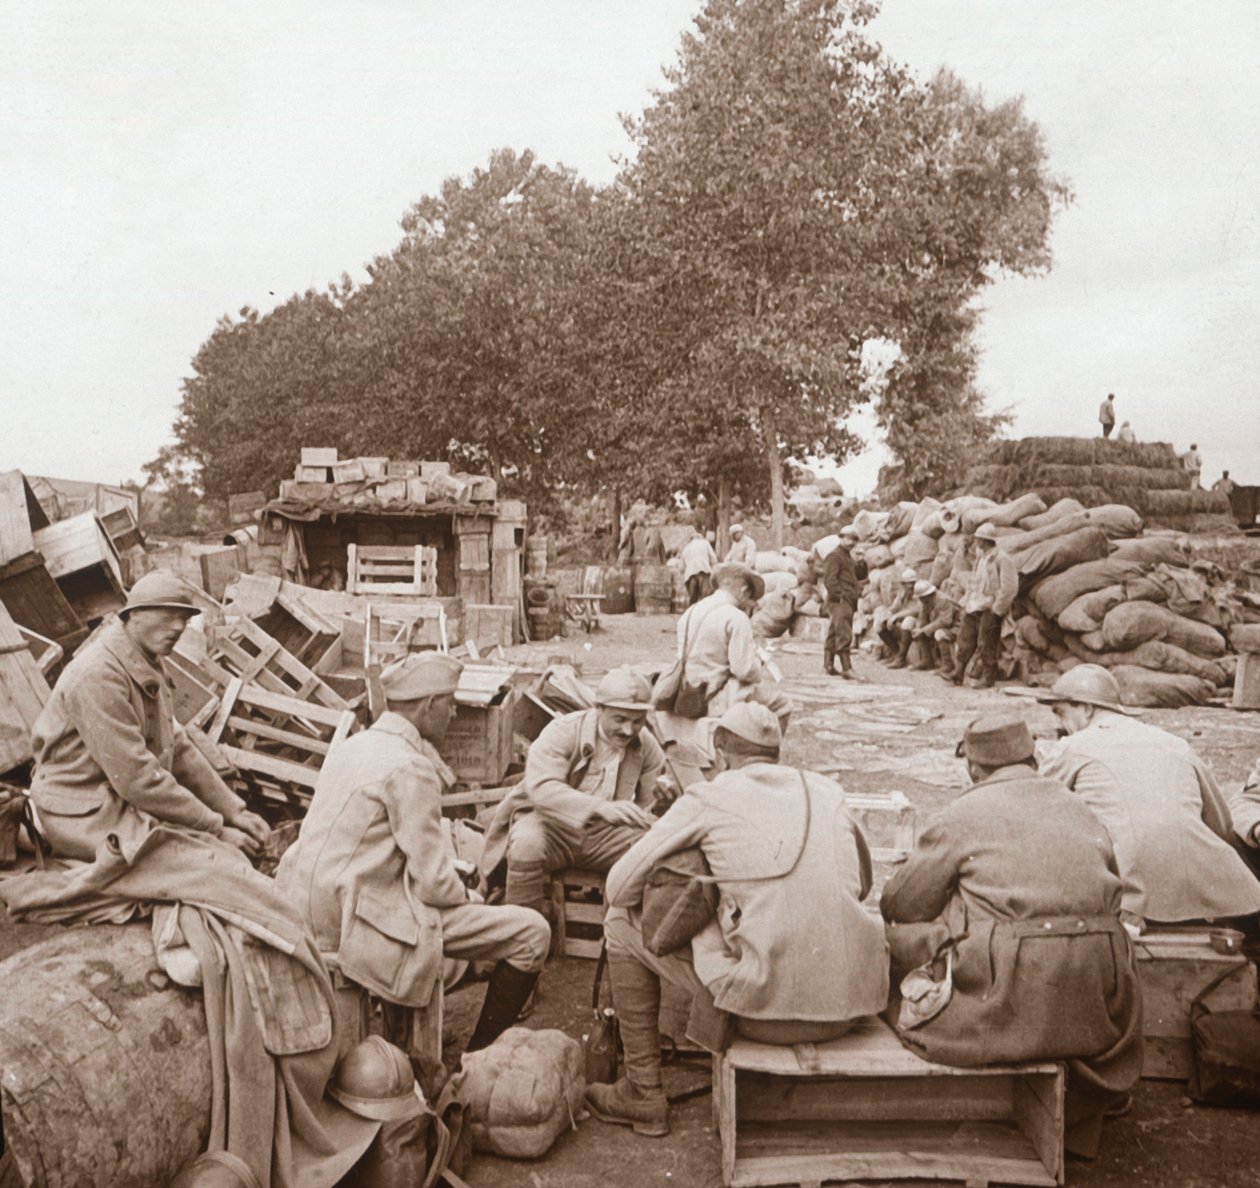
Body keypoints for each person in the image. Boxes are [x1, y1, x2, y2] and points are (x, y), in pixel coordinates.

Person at [588, 704, 889, 1137]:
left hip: (766, 1016)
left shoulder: (710, 795)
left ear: (721, 752)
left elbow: (618, 887)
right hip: (851, 1006)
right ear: (776, 754)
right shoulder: (828, 791)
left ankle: (642, 1092)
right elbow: (861, 884)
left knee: (618, 921)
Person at [881, 714, 1142, 1158]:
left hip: (1013, 990)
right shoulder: (1079, 807)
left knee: (895, 946)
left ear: (974, 769)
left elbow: (901, 906)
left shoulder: (961, 813)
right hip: (1101, 994)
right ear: (1033, 758)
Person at [276, 653, 551, 1055]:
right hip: (352, 920)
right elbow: (435, 884)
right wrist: (469, 897)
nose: (454, 713)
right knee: (532, 933)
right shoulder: (411, 766)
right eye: (450, 703)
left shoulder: (356, 745)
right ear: (428, 706)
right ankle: (475, 1058)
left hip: (302, 901)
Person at [28, 572, 270, 861]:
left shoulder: (147, 660)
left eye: (184, 617)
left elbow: (178, 749)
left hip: (118, 800)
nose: (179, 626)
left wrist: (234, 810)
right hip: (80, 810)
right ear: (135, 614)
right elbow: (138, 778)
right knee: (209, 863)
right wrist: (216, 828)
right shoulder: (97, 675)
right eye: (169, 615)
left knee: (218, 854)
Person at [1033, 665, 1260, 926]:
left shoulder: (1071, 748)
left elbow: (1037, 816)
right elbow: (1222, 825)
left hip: (1132, 895)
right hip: (1214, 892)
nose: (1060, 724)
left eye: (1060, 713)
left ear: (1087, 709)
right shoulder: (1175, 744)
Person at [481, 668, 671, 921]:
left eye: (637, 721)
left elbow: (648, 808)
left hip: (604, 834)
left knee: (656, 848)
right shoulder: (563, 731)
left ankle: (623, 933)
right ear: (599, 708)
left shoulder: (645, 744)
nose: (628, 730)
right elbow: (543, 789)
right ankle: (523, 934)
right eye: (620, 719)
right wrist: (598, 806)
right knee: (526, 843)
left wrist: (664, 802)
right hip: (550, 824)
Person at [655, 562, 792, 726]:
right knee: (782, 704)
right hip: (716, 695)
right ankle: (762, 748)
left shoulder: (690, 611)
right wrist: (758, 662)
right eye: (750, 596)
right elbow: (743, 670)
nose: (749, 602)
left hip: (685, 691)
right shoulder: (736, 617)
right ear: (744, 591)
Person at [946, 524, 1017, 689]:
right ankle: (959, 671)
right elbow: (975, 579)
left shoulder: (1002, 559)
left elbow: (1009, 588)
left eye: (978, 538)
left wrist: (997, 610)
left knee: (986, 642)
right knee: (965, 638)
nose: (975, 540)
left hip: (990, 606)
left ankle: (988, 677)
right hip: (974, 604)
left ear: (986, 540)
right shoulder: (981, 556)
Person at [819, 527, 860, 679]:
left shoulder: (847, 557)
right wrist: (840, 595)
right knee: (844, 632)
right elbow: (829, 579)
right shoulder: (834, 556)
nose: (851, 542)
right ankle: (847, 668)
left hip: (847, 600)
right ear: (841, 538)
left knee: (834, 631)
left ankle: (828, 665)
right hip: (840, 600)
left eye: (854, 539)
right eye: (848, 538)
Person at [914, 576, 962, 674]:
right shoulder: (927, 601)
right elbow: (924, 617)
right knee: (920, 631)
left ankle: (948, 665)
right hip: (945, 626)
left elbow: (945, 621)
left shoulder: (942, 600)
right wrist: (921, 628)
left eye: (921, 597)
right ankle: (927, 661)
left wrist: (925, 629)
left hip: (957, 626)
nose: (920, 600)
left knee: (939, 633)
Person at [888, 580, 937, 670]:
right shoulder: (902, 594)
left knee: (909, 622)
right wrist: (888, 615)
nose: (910, 585)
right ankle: (898, 655)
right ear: (903, 584)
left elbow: (918, 610)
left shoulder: (921, 591)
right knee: (882, 623)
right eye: (908, 583)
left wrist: (921, 627)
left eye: (913, 582)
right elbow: (894, 607)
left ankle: (903, 657)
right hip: (919, 620)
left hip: (921, 620)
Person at [679, 528, 717, 606]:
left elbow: (681, 569)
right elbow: (713, 559)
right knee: (705, 598)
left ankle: (693, 616)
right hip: (704, 571)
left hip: (690, 574)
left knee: (693, 600)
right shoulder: (705, 543)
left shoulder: (686, 548)